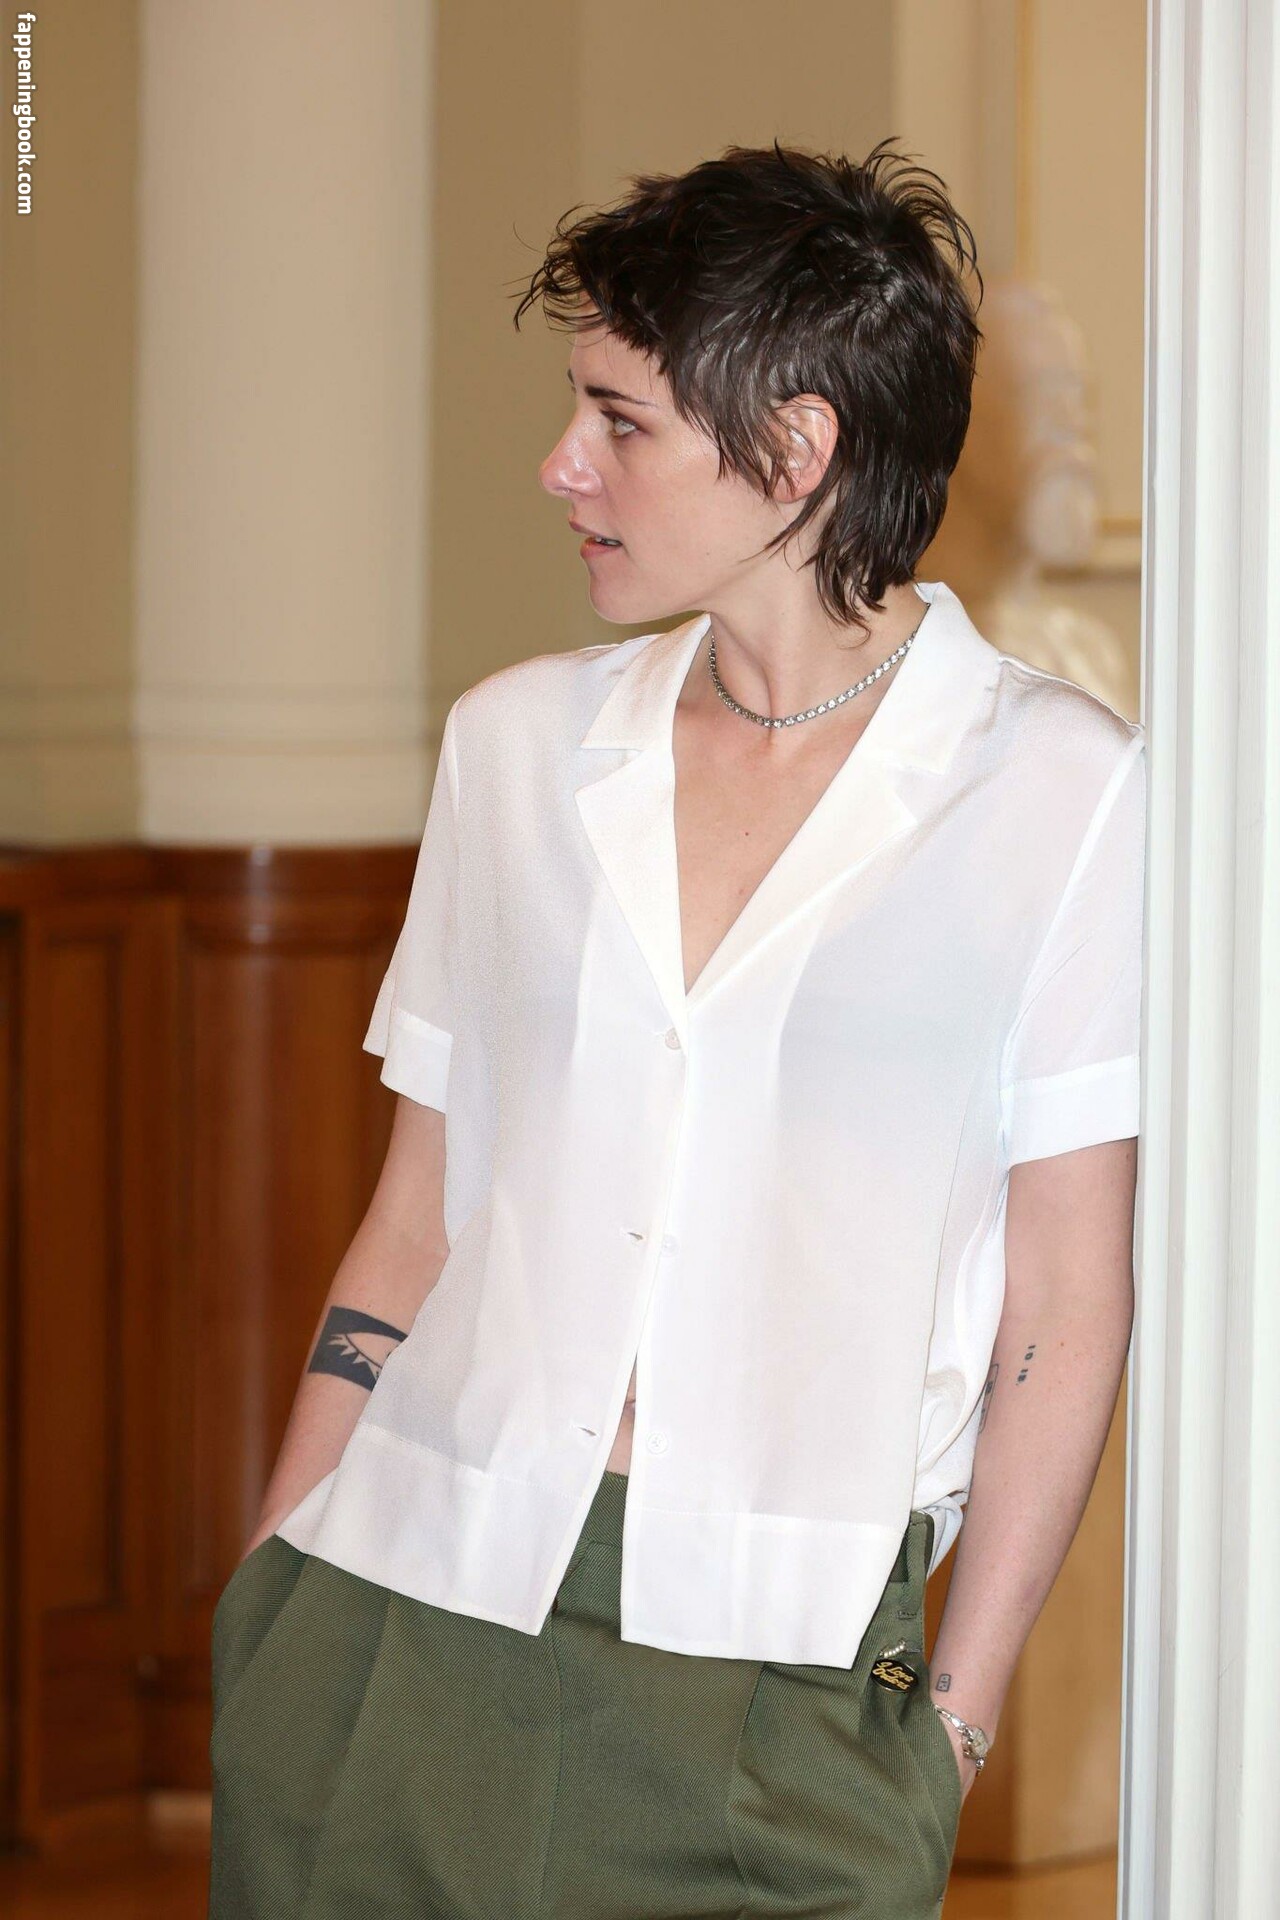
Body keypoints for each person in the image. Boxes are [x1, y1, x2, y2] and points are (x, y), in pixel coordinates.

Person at [208, 140, 1144, 1920]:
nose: (561, 464)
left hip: (788, 1685)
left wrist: (955, 1720)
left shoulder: (1060, 792)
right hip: (403, 1603)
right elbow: (416, 1217)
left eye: (619, 420)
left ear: (795, 449)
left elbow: (1065, 1297)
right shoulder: (513, 747)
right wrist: (273, 1583)